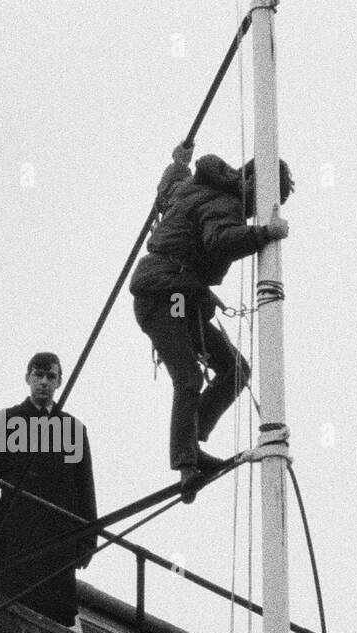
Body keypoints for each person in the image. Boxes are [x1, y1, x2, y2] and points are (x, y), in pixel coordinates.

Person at [130, 147, 293, 495]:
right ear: (253, 183)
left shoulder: (193, 184)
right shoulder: (227, 200)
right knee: (188, 376)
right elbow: (220, 241)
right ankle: (186, 462)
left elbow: (167, 190)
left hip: (177, 295)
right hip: (166, 296)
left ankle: (192, 442)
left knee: (234, 369)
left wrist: (177, 162)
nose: (253, 211)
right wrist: (266, 233)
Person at [0, 352, 97, 628]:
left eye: (50, 376)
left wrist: (88, 539)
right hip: (15, 529)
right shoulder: (5, 421)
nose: (43, 382)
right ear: (27, 378)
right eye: (38, 375)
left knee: (54, 614)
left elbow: (84, 485)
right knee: (12, 606)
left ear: (59, 382)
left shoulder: (73, 429)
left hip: (59, 535)